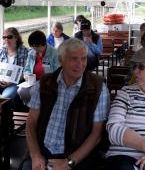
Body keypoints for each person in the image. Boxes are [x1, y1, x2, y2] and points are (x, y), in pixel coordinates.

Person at [22, 38, 110, 170]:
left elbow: (96, 135)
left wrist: (69, 162)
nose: (80, 64)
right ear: (61, 60)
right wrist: (35, 154)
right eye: (73, 59)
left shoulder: (97, 88)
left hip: (77, 156)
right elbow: (31, 123)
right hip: (43, 153)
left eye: (83, 58)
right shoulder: (45, 83)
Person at [17, 30, 59, 103]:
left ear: (44, 44)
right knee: (20, 91)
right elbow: (26, 69)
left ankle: (37, 110)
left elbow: (57, 72)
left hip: (48, 83)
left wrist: (44, 81)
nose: (35, 49)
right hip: (33, 82)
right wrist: (26, 75)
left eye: (37, 46)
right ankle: (31, 108)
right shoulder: (31, 53)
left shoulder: (54, 53)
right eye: (32, 46)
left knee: (34, 92)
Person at [0, 27, 28, 108]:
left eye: (9, 37)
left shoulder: (25, 51)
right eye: (4, 37)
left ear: (16, 37)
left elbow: (26, 72)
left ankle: (6, 118)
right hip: (1, 81)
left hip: (15, 83)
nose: (6, 39)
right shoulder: (1, 51)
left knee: (4, 99)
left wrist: (11, 81)